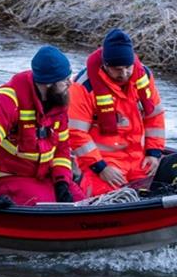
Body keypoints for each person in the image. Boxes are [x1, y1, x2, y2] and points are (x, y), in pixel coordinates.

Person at [0, 45, 82, 208]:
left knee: (81, 201)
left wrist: (62, 181)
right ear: (49, 83)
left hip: (43, 174)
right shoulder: (7, 100)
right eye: (64, 80)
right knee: (46, 210)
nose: (69, 83)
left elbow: (61, 149)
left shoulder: (57, 102)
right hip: (10, 175)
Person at [68, 28, 166, 197]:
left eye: (128, 67)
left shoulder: (143, 76)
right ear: (105, 65)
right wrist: (101, 167)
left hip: (139, 159)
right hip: (101, 162)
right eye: (117, 69)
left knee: (161, 189)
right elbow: (76, 133)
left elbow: (155, 117)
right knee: (104, 198)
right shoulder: (83, 87)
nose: (124, 74)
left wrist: (154, 153)